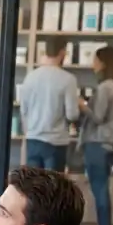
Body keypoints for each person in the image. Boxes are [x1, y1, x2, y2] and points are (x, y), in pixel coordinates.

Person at [78, 46, 113, 225]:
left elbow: (98, 116)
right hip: (111, 143)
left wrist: (82, 105)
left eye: (96, 60)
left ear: (103, 63)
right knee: (103, 187)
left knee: (99, 189)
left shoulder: (105, 87)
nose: (93, 64)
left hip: (97, 143)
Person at [21, 39, 79, 172]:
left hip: (33, 139)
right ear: (63, 52)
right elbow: (72, 114)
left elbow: (24, 110)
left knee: (34, 187)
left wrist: (29, 132)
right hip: (56, 142)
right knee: (52, 188)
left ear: (45, 51)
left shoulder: (30, 77)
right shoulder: (68, 79)